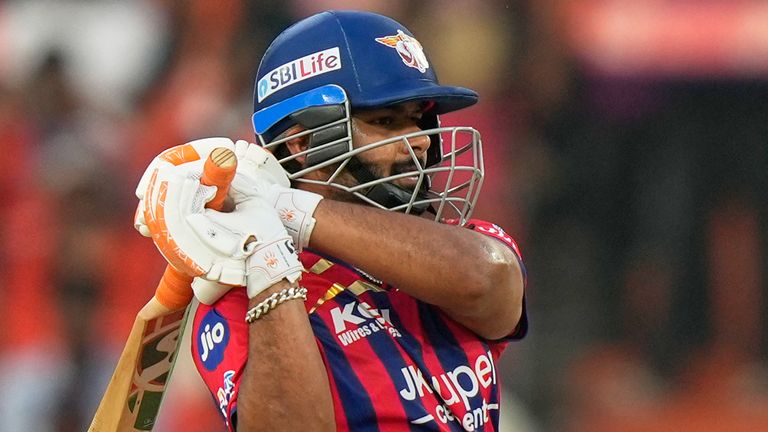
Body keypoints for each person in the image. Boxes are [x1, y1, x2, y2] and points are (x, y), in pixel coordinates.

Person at [136, 10, 526, 431]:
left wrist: (287, 209)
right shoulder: (237, 301)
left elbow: (489, 282)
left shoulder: (455, 245)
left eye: (419, 117)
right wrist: (268, 255)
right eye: (386, 121)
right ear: (303, 143)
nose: (420, 138)